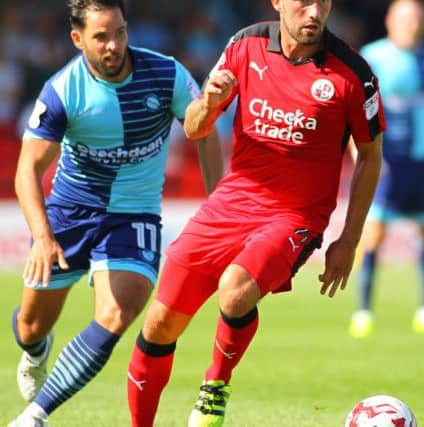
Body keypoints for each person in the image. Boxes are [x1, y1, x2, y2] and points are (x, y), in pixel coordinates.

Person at [126, 0, 385, 426]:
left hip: (296, 214)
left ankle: (215, 385)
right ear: (278, 2)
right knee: (157, 326)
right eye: (304, 1)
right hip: (231, 203)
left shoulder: (353, 73)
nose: (314, 12)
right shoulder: (245, 45)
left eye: (323, 2)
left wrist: (349, 239)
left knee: (236, 287)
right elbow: (194, 128)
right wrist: (208, 104)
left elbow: (370, 156)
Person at [8, 1, 224, 426]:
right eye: (102, 36)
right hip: (69, 214)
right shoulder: (62, 90)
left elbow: (203, 131)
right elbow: (27, 169)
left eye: (120, 32)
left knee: (117, 315)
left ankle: (35, 414)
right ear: (78, 39)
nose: (114, 45)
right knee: (31, 326)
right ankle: (35, 351)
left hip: (134, 214)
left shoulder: (165, 74)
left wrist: (218, 204)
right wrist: (44, 236)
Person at [348, 0, 424, 339]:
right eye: (407, 18)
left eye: (417, 19)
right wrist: (357, 154)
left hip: (420, 162)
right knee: (374, 233)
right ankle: (364, 311)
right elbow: (355, 112)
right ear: (392, 21)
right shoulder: (373, 57)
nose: (412, 25)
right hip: (386, 161)